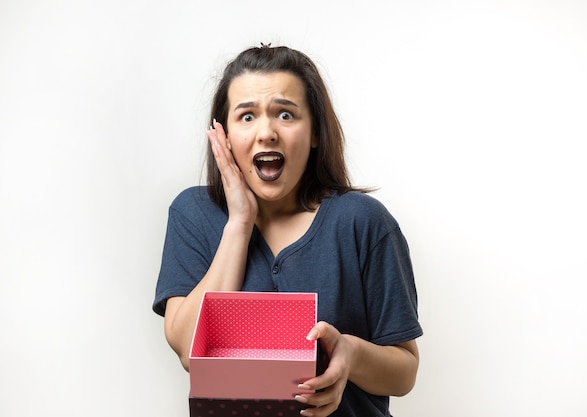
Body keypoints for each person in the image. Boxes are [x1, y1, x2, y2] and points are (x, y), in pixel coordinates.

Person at [152, 43, 423, 417]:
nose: (266, 133)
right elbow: (188, 350)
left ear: (314, 133)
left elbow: (404, 371)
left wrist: (348, 352)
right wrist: (239, 223)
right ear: (225, 135)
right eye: (246, 117)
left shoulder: (363, 222)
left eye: (285, 114)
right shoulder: (193, 214)